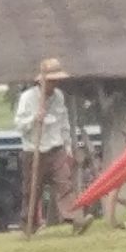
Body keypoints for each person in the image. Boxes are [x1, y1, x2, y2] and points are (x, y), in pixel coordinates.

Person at [14, 58, 87, 234]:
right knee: (32, 190)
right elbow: (19, 125)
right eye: (51, 81)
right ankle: (29, 225)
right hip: (34, 150)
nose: (54, 84)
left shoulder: (59, 97)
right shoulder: (28, 98)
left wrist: (68, 146)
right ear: (42, 81)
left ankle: (75, 220)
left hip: (56, 149)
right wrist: (34, 119)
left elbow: (63, 123)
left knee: (65, 184)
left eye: (56, 81)